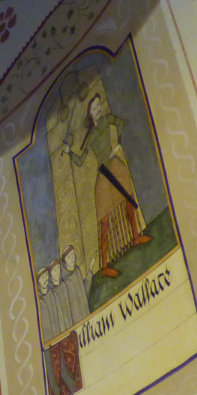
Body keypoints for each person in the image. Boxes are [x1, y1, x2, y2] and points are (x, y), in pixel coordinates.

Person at [61, 76, 150, 278]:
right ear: (90, 114)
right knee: (104, 221)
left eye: (98, 106)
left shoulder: (106, 119)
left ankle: (136, 237)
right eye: (94, 108)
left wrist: (119, 142)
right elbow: (80, 160)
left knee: (129, 201)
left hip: (116, 166)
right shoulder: (90, 135)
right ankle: (105, 266)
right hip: (103, 174)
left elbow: (120, 123)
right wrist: (68, 152)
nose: (98, 109)